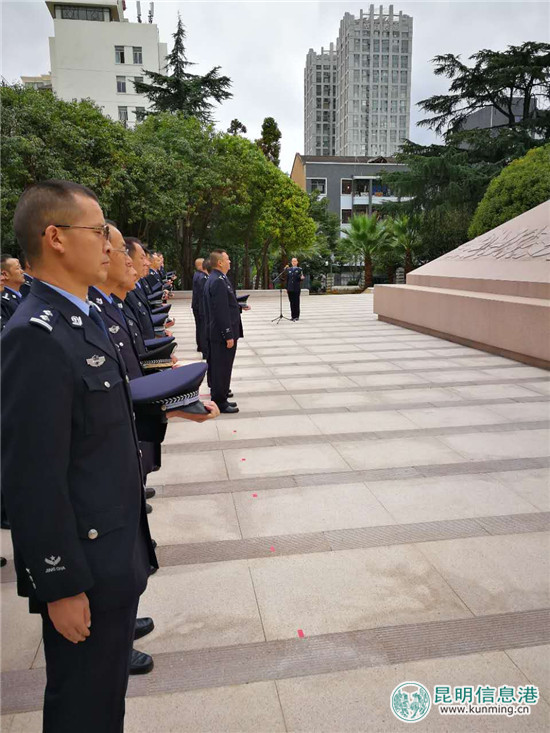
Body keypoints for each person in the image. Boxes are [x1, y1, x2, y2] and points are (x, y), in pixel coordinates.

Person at [1, 180, 157, 732]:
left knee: (104, 698)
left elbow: (101, 428)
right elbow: (31, 477)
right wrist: (59, 584)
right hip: (83, 568)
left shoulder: (84, 316)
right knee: (82, 706)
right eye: (97, 232)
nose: (109, 246)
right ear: (56, 238)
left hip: (114, 553)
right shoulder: (36, 334)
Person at [203, 250, 242, 414]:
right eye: (227, 259)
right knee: (221, 367)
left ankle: (222, 396)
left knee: (223, 366)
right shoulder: (217, 280)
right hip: (221, 334)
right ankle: (219, 401)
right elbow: (221, 311)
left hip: (221, 332)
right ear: (219, 262)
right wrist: (228, 334)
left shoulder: (219, 278)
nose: (230, 262)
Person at [0, 254, 25, 324]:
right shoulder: (3, 301)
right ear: (5, 274)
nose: (22, 271)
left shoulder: (20, 294)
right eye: (18, 268)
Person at [192, 258, 207, 355]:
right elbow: (202, 295)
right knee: (203, 328)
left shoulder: (198, 275)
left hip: (197, 306)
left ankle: (200, 346)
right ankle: (204, 350)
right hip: (200, 307)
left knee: (200, 327)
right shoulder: (202, 277)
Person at [285, 257, 305, 321]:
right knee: (291, 302)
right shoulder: (289, 270)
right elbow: (287, 279)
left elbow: (300, 278)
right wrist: (287, 288)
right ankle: (292, 316)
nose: (294, 262)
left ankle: (297, 316)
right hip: (290, 288)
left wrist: (301, 278)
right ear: (291, 262)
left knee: (296, 302)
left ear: (297, 262)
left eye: (295, 261)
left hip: (296, 288)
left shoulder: (299, 269)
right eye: (293, 261)